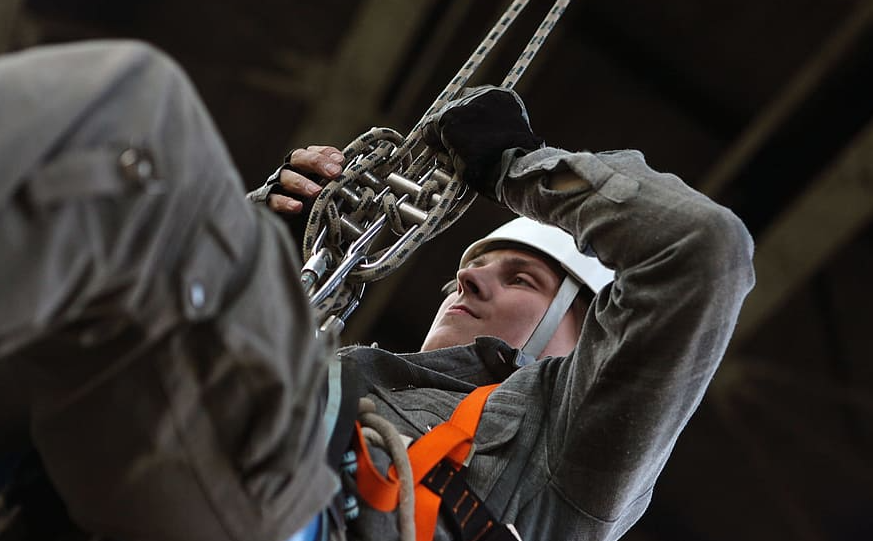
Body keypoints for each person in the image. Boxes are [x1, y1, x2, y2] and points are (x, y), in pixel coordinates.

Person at [0, 40, 755, 541]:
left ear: (584, 332)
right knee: (121, 199)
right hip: (156, 485)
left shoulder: (568, 453)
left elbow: (700, 253)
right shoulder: (348, 372)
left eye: (519, 277)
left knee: (139, 114)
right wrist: (239, 234)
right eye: (474, 263)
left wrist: (513, 166)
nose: (467, 276)